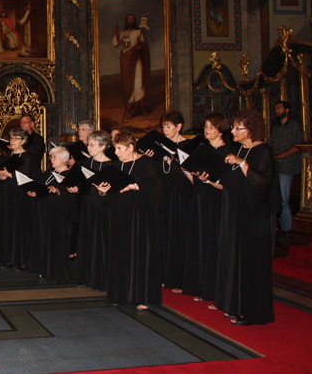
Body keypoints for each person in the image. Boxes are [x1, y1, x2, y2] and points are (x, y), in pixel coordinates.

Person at [217, 109, 280, 326]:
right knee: (238, 261)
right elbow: (231, 182)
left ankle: (254, 313)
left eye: (238, 128)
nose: (233, 131)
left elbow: (262, 182)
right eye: (233, 127)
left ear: (250, 130)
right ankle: (237, 305)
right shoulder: (240, 149)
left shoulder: (263, 150)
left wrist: (242, 163)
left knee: (253, 264)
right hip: (239, 213)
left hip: (256, 218)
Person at [98, 130, 163, 310]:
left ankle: (143, 296)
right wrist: (102, 192)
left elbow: (157, 189)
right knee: (120, 254)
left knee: (141, 255)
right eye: (115, 148)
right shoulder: (115, 166)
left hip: (141, 217)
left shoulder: (147, 163)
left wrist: (135, 186)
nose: (116, 152)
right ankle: (119, 293)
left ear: (131, 147)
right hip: (120, 216)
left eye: (120, 148)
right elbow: (110, 192)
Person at [182, 112, 232, 302]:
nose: (207, 130)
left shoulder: (227, 152)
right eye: (206, 126)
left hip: (217, 203)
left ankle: (214, 291)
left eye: (211, 127)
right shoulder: (203, 150)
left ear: (221, 130)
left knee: (214, 245)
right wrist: (188, 172)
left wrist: (209, 181)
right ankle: (200, 287)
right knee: (200, 242)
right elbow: (196, 181)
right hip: (200, 200)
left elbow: (227, 185)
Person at [70, 130, 115, 290]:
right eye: (88, 144)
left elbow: (116, 190)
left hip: (104, 208)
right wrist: (74, 188)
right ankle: (85, 276)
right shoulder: (84, 164)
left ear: (103, 146)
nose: (89, 147)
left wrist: (104, 192)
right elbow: (77, 183)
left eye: (92, 145)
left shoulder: (112, 165)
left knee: (102, 240)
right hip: (87, 205)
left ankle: (102, 278)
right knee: (87, 239)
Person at [156, 110, 194, 292]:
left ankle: (179, 279)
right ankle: (164, 275)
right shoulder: (160, 146)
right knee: (164, 234)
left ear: (179, 126)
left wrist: (175, 163)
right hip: (164, 194)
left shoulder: (189, 146)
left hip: (182, 195)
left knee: (179, 235)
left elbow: (191, 173)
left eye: (168, 126)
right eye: (163, 126)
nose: (165, 130)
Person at [27, 145, 76, 283]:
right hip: (44, 211)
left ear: (64, 159)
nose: (51, 160)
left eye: (55, 157)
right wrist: (35, 192)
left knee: (57, 242)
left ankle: (57, 271)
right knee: (43, 239)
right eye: (51, 157)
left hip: (59, 214)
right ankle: (44, 269)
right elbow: (41, 187)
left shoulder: (70, 174)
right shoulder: (48, 172)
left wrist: (58, 190)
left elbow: (73, 196)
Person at [0, 128, 37, 268]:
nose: (12, 141)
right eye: (11, 138)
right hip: (9, 193)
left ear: (23, 141)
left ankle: (23, 259)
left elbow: (26, 176)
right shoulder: (9, 155)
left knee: (21, 226)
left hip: (21, 195)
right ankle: (10, 257)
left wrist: (8, 175)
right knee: (9, 225)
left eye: (15, 138)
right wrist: (1, 176)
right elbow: (4, 173)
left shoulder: (27, 156)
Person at [269, 101, 303, 244]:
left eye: (279, 108)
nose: (276, 111)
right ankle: (281, 228)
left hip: (287, 166)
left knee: (283, 199)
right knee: (276, 197)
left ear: (287, 110)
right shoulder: (277, 127)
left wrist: (280, 156)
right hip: (275, 166)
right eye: (275, 108)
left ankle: (288, 229)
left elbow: (298, 146)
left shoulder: (293, 126)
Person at [113, 13, 150, 121]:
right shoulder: (123, 33)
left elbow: (144, 44)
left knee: (138, 84)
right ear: (126, 21)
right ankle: (129, 110)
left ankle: (143, 108)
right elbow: (115, 44)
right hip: (126, 61)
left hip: (136, 60)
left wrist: (139, 46)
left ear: (134, 21)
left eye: (132, 19)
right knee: (128, 85)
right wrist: (116, 33)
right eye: (128, 19)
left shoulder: (138, 32)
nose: (130, 21)